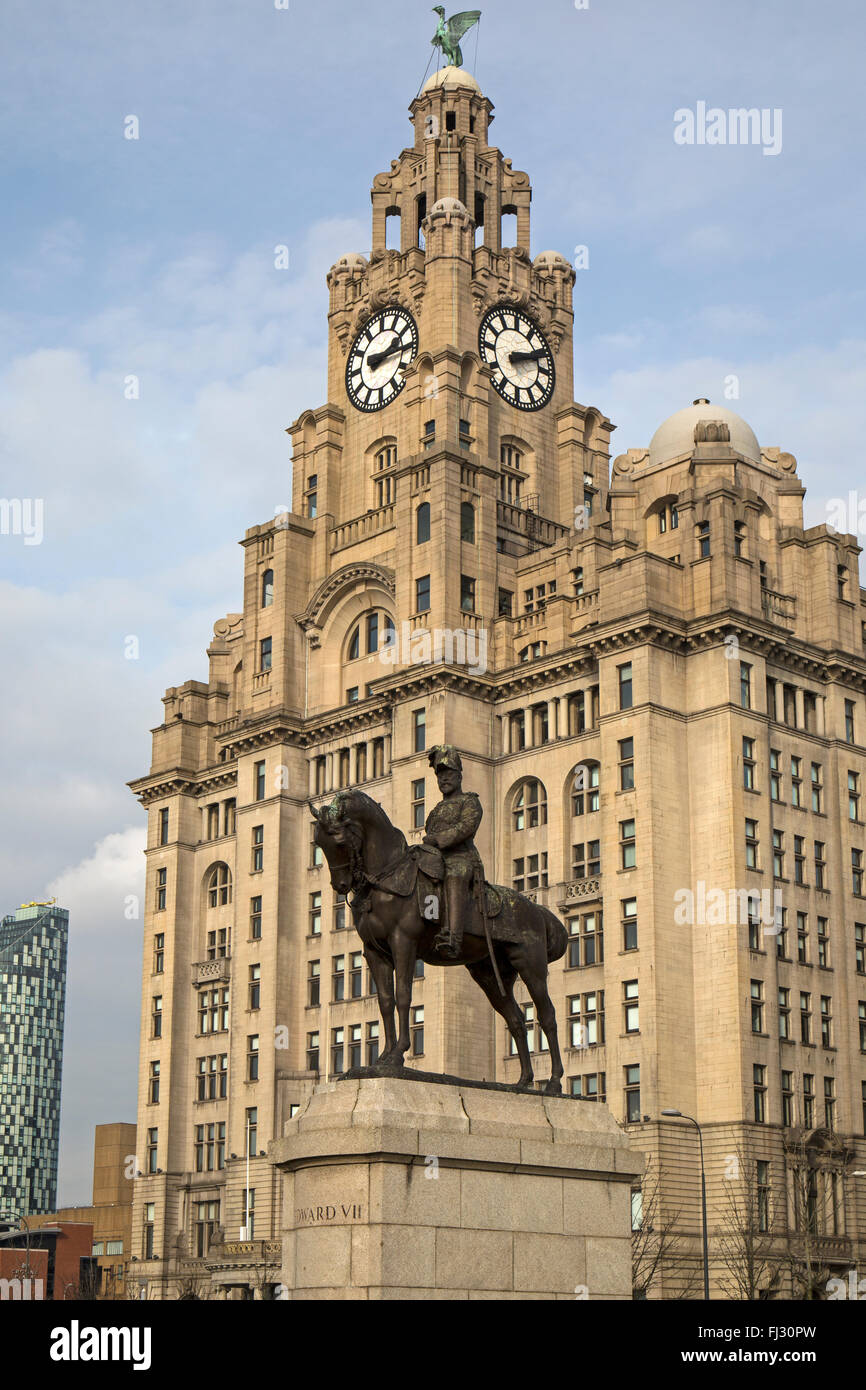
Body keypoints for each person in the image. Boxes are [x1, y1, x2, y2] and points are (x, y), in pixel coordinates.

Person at [422, 745, 483, 957]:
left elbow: (466, 828)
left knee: (454, 874)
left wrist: (438, 840)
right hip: (435, 859)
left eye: (448, 774)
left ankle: (453, 937)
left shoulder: (470, 801)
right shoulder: (435, 810)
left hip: (461, 858)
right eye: (440, 776)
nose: (444, 779)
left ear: (459, 776)